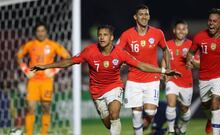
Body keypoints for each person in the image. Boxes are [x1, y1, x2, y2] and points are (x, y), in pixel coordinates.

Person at [31, 25, 180, 135]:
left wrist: (163, 70)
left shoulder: (120, 53)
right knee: (109, 123)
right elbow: (69, 61)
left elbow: (141, 65)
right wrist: (45, 66)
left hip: (114, 87)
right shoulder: (89, 51)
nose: (102, 37)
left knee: (115, 114)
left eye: (105, 35)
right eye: (100, 35)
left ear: (111, 38)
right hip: (96, 91)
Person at [116, 5, 171, 135]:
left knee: (151, 111)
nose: (144, 17)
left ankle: (146, 123)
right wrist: (120, 62)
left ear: (149, 16)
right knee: (136, 113)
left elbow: (166, 50)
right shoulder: (127, 34)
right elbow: (117, 51)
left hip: (152, 78)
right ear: (135, 17)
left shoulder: (157, 33)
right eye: (141, 14)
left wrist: (167, 67)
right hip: (134, 78)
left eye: (146, 14)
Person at [186, 8, 220, 135]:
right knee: (206, 105)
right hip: (204, 76)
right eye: (210, 21)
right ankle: (210, 119)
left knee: (215, 102)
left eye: (214, 21)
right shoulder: (199, 37)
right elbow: (190, 53)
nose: (211, 23)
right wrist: (190, 61)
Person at [16, 22, 71, 135]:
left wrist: (54, 70)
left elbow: (68, 58)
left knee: (46, 107)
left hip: (47, 81)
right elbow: (18, 56)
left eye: (43, 31)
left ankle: (44, 133)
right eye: (38, 31)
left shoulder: (53, 45)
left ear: (46, 32)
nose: (41, 33)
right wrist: (26, 70)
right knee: (30, 107)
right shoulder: (30, 45)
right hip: (33, 80)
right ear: (35, 32)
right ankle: (29, 134)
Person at [164, 20, 199, 135]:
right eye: (179, 29)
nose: (181, 31)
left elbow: (199, 63)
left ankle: (182, 128)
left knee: (185, 109)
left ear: (187, 31)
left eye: (183, 29)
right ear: (174, 30)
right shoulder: (167, 44)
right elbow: (164, 60)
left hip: (186, 82)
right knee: (171, 103)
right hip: (172, 79)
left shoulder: (191, 45)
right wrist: (164, 73)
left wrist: (192, 62)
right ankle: (171, 130)